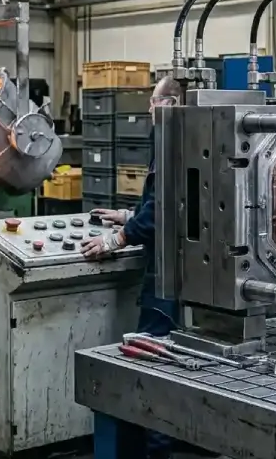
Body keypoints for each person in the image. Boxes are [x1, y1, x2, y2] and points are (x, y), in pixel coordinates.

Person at [81, 76, 214, 459]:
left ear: (170, 106)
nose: (149, 111)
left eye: (154, 104)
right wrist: (127, 215)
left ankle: (157, 449)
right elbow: (170, 199)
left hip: (169, 275)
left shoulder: (171, 140)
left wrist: (116, 239)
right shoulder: (194, 137)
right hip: (192, 271)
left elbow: (163, 211)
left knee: (156, 360)